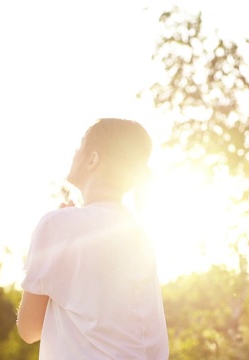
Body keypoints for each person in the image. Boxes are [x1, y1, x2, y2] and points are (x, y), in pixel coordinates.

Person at [17, 118, 169, 359]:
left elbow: (29, 329)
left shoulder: (57, 225)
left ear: (92, 159)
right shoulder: (140, 234)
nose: (74, 153)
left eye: (80, 146)